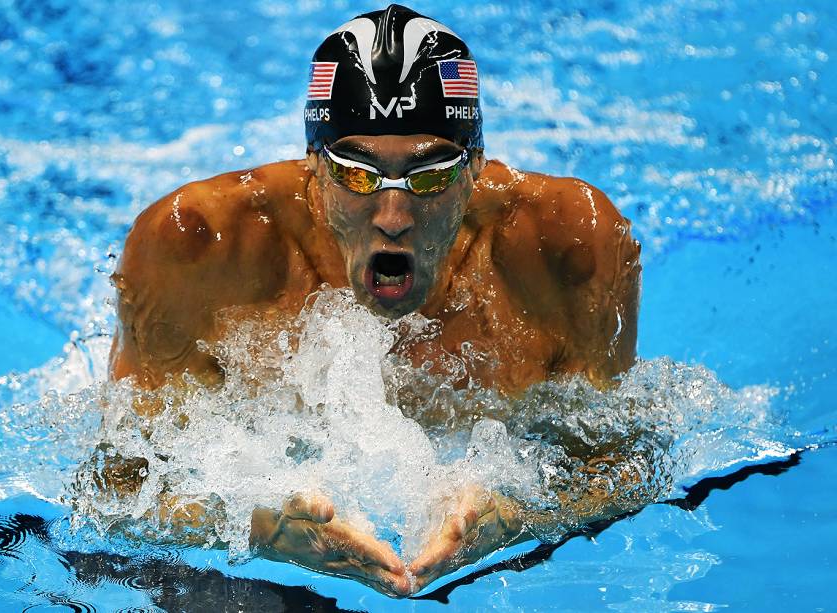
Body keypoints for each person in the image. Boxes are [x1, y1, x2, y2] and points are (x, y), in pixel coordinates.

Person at [105, 4, 642, 597]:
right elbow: (113, 488)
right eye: (357, 175)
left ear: (475, 167)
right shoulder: (197, 247)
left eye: (430, 175)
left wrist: (521, 517)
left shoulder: (567, 250)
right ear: (314, 165)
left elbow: (623, 466)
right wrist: (253, 527)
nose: (393, 218)